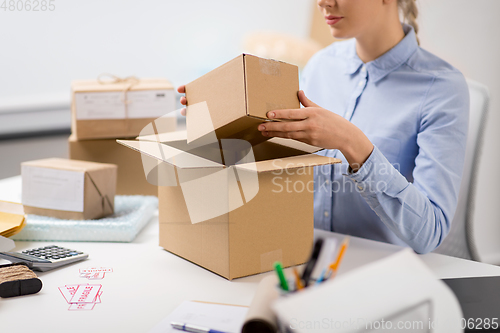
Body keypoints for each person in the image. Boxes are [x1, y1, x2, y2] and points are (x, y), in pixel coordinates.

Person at [177, 0, 469, 254]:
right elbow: (285, 163)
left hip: (382, 273)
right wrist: (223, 120)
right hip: (304, 259)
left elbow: (431, 233)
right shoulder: (321, 65)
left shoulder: (442, 88)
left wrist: (353, 143)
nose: (323, 2)